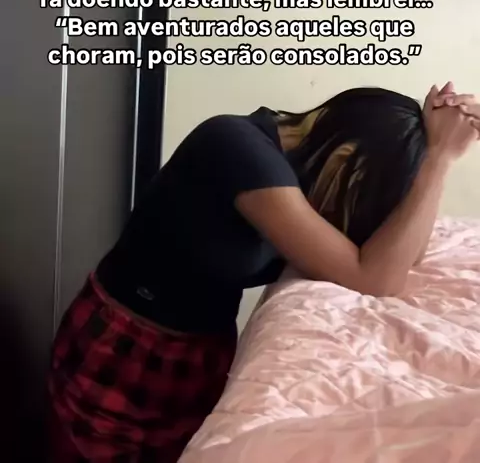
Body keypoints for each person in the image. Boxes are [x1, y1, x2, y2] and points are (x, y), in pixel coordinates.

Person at [47, 82, 480, 462]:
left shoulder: (301, 171)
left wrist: (433, 153)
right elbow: (374, 279)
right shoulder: (237, 149)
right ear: (346, 156)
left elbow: (408, 257)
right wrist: (439, 159)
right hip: (127, 349)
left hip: (198, 356)